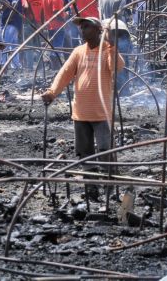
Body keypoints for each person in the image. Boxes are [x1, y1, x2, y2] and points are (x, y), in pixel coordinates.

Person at [41, 17, 125, 200]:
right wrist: (52, 92)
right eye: (81, 27)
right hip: (81, 113)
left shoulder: (107, 50)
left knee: (106, 151)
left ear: (97, 30)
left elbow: (117, 66)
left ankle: (111, 188)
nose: (82, 30)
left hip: (101, 113)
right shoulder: (78, 52)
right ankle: (91, 188)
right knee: (85, 154)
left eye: (86, 27)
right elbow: (64, 73)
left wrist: (111, 46)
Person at [43, 0, 68, 69]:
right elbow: (56, 13)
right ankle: (56, 67)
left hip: (50, 26)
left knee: (54, 47)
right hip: (58, 26)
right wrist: (64, 20)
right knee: (57, 49)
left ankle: (54, 66)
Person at [1, 0, 24, 71]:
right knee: (14, 46)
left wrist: (9, 17)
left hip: (11, 23)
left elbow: (14, 4)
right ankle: (16, 66)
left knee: (5, 45)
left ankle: (3, 66)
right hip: (15, 23)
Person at [20, 0, 43, 69]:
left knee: (29, 46)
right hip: (38, 24)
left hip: (28, 24)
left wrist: (29, 17)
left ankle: (30, 67)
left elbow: (26, 6)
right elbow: (42, 11)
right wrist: (41, 23)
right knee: (38, 46)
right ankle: (40, 66)